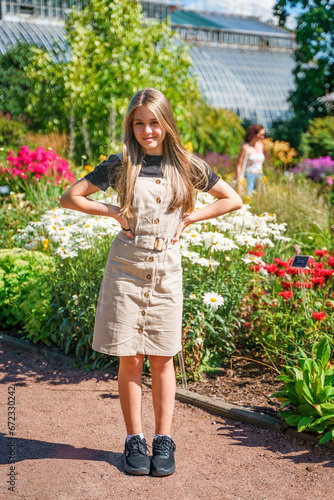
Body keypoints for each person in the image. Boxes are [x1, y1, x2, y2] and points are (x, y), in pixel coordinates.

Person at [60, 88, 242, 477]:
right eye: (139, 123)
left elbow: (232, 199)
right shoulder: (122, 164)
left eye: (154, 122)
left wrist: (192, 218)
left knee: (162, 356)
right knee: (131, 356)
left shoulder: (187, 165)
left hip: (166, 268)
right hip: (125, 266)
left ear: (166, 123)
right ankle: (134, 440)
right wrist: (112, 211)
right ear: (131, 126)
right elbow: (70, 196)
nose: (147, 131)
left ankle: (164, 439)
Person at [236, 124, 266, 197]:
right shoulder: (245, 147)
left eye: (263, 135)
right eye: (260, 135)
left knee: (261, 198)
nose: (263, 137)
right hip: (249, 175)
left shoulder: (260, 145)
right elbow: (239, 165)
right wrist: (239, 183)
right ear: (254, 134)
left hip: (260, 175)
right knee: (248, 197)